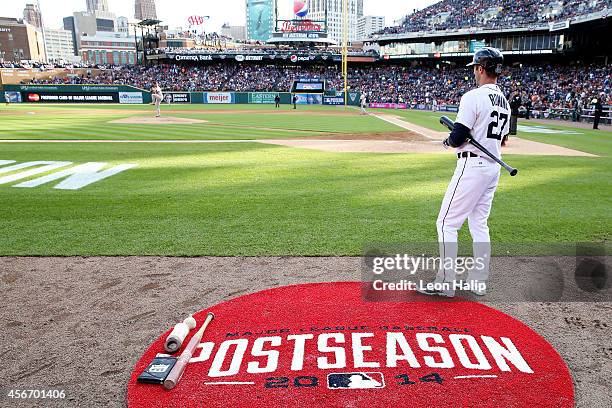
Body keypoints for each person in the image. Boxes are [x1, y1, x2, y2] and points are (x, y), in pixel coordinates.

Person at [418, 47, 510, 298]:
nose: (475, 73)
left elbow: (459, 137)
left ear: (481, 69)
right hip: (492, 167)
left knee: (446, 223)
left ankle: (445, 282)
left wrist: (448, 142)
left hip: (472, 166)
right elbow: (503, 140)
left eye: (475, 69)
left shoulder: (474, 96)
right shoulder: (505, 102)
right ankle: (477, 282)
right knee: (479, 224)